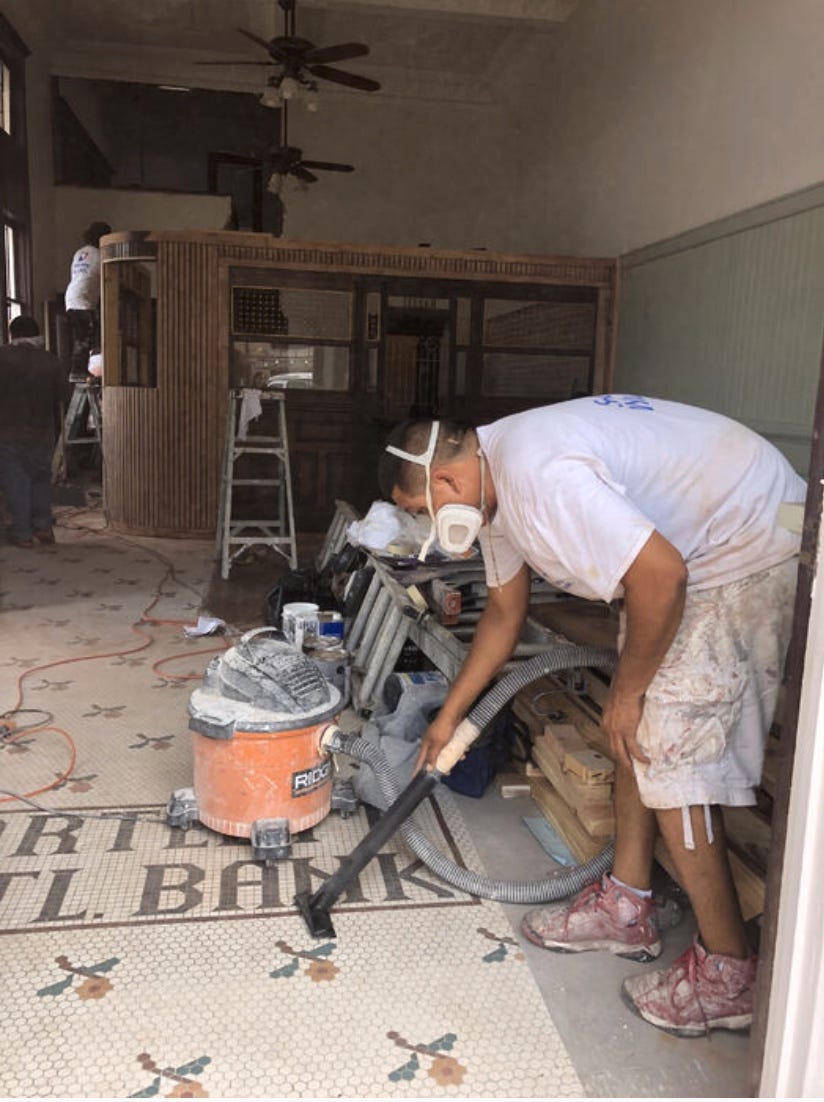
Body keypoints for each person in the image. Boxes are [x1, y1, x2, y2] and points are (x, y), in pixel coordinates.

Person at [378, 394, 805, 1038]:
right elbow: (503, 611)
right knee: (632, 728)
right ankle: (627, 905)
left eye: (420, 513)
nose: (427, 529)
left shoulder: (539, 475)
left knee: (669, 750)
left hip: (742, 548)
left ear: (444, 481)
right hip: (689, 559)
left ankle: (728, 975)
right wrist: (450, 719)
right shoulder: (493, 486)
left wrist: (630, 692)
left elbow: (660, 575)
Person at [0, 315, 71, 547]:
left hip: (9, 432)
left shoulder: (3, 357)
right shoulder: (51, 361)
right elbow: (63, 394)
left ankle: (22, 533)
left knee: (16, 481)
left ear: (13, 335)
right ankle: (43, 528)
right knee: (41, 479)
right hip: (43, 433)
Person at [64, 221, 111, 381]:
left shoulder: (80, 253)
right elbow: (108, 276)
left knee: (86, 334)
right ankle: (78, 371)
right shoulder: (100, 255)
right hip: (83, 300)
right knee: (85, 337)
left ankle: (86, 368)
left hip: (72, 297)